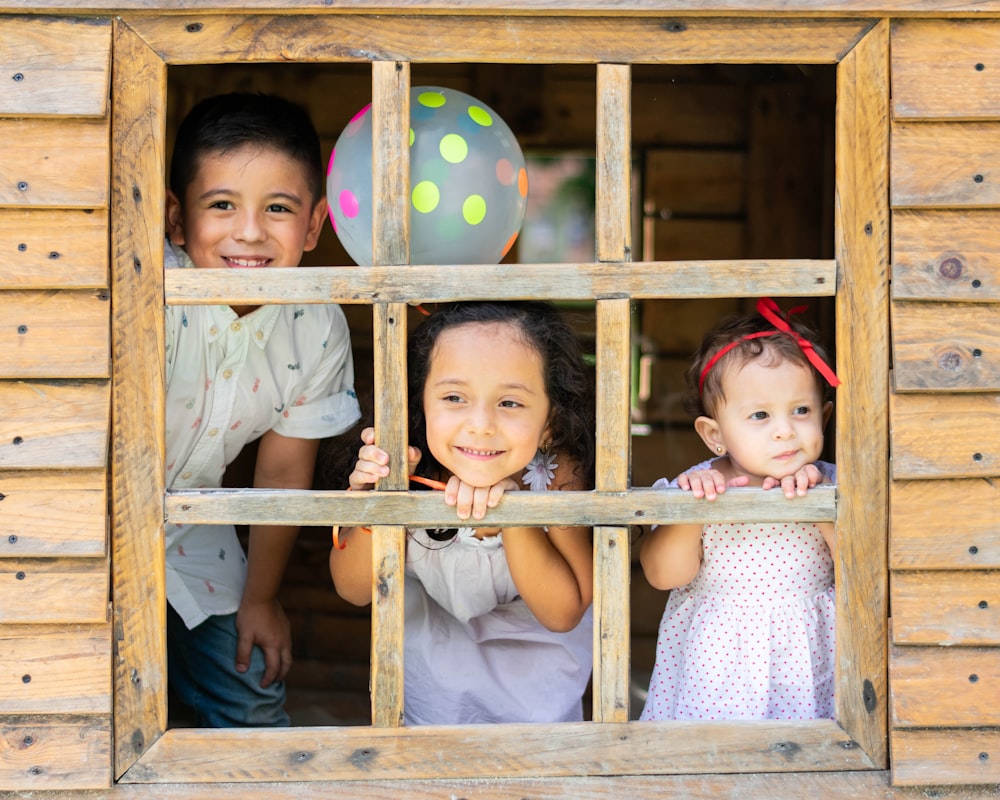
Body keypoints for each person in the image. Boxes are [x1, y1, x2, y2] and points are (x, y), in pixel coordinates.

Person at [163, 92, 361, 727]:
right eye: (221, 205)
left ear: (314, 225)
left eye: (278, 209)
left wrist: (261, 598)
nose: (249, 232)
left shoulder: (316, 324)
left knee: (250, 705)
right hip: (92, 531)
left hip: (199, 531)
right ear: (176, 218)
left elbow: (280, 475)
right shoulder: (146, 288)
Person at [329, 301, 595, 725]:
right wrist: (377, 502)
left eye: (510, 403)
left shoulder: (555, 474)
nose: (481, 424)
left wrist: (510, 513)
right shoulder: (405, 465)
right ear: (419, 402)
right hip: (430, 692)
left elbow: (563, 612)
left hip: (537, 704)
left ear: (549, 421)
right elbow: (353, 588)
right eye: (454, 397)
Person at [640, 297, 839, 721]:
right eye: (761, 415)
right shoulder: (697, 485)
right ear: (715, 435)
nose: (785, 430)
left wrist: (823, 508)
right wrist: (692, 512)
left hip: (807, 657)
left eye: (801, 411)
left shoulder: (834, 484)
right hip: (717, 665)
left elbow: (866, 571)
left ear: (824, 416)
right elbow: (662, 575)